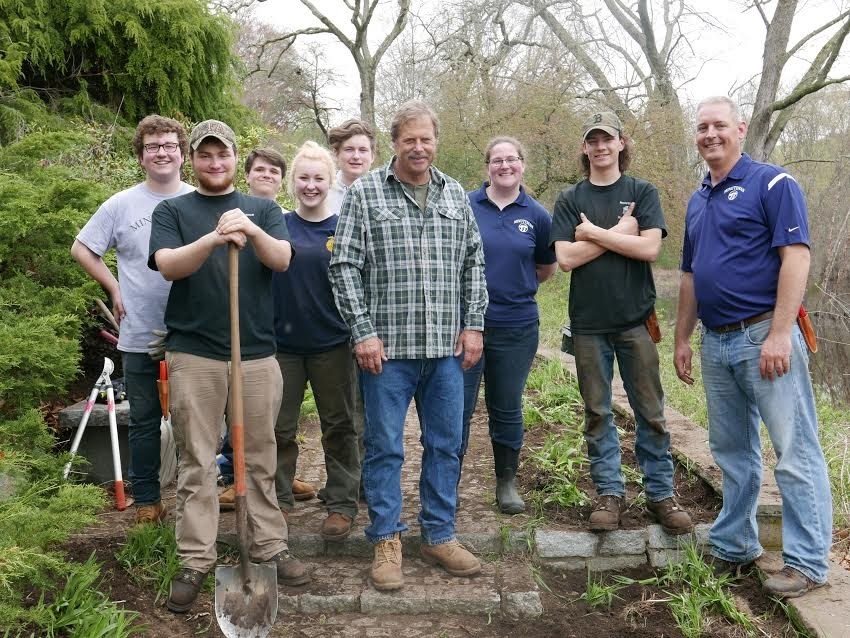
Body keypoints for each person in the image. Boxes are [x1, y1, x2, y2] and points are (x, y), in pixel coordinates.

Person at [148, 120, 310, 614]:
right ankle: (196, 558)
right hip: (195, 354)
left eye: (223, 155)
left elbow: (281, 259)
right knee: (198, 461)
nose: (215, 163)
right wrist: (215, 240)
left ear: (235, 158)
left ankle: (267, 546)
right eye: (205, 155)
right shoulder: (173, 209)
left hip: (256, 355)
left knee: (259, 454)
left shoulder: (263, 209)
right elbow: (170, 264)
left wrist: (251, 228)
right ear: (192, 161)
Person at [674, 96, 831, 598]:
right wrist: (681, 336)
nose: (710, 134)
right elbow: (691, 275)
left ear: (740, 129)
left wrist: (782, 333)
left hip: (764, 335)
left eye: (719, 125)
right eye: (702, 127)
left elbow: (796, 258)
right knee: (732, 452)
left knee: (794, 450)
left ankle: (806, 561)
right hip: (716, 343)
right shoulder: (699, 199)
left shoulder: (773, 184)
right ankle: (734, 544)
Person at [329, 101, 487, 591]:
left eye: (426, 139)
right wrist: (363, 332)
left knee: (446, 444)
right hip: (387, 353)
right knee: (385, 449)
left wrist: (474, 324)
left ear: (436, 142)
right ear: (394, 143)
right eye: (408, 140)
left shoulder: (454, 194)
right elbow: (344, 266)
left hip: (445, 351)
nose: (418, 148)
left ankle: (438, 535)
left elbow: (473, 264)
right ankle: (386, 540)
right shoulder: (367, 194)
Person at [550, 111, 693, 536]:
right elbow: (565, 259)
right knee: (598, 412)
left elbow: (649, 251)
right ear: (584, 148)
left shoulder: (642, 192)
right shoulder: (570, 197)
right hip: (589, 325)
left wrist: (592, 233)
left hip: (636, 321)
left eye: (606, 139)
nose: (599, 147)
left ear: (621, 144)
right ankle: (609, 494)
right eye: (592, 140)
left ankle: (661, 495)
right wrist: (619, 231)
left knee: (651, 411)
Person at [71, 115, 194, 525]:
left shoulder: (198, 200)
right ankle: (147, 501)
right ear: (141, 156)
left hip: (195, 334)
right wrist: (114, 287)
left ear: (183, 154)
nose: (162, 152)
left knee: (198, 421)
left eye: (170, 145)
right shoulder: (120, 204)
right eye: (153, 146)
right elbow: (82, 248)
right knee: (143, 420)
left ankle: (198, 503)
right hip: (140, 329)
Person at [461, 136, 557, 514]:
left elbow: (546, 267)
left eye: (511, 159)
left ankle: (506, 482)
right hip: (466, 324)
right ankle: (446, 483)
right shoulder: (466, 205)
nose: (505, 166)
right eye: (497, 160)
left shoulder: (536, 214)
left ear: (522, 164)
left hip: (517, 326)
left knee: (506, 405)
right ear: (487, 166)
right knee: (458, 406)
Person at [217, 148, 317, 507]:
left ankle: (279, 474)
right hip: (239, 323)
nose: (267, 176)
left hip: (277, 326)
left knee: (273, 410)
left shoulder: (283, 219)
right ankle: (233, 474)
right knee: (237, 405)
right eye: (260, 170)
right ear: (247, 174)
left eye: (275, 172)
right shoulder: (229, 214)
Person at [273, 141, 361, 541]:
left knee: (340, 425)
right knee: (277, 428)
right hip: (282, 346)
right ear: (293, 182)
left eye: (319, 178)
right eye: (304, 178)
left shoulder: (344, 228)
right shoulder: (277, 226)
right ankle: (276, 502)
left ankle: (342, 504)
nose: (311, 186)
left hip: (333, 343)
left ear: (331, 181)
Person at [327, 118, 377, 214]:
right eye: (349, 149)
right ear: (336, 154)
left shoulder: (385, 193)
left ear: (372, 156)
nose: (356, 156)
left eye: (363, 150)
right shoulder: (324, 192)